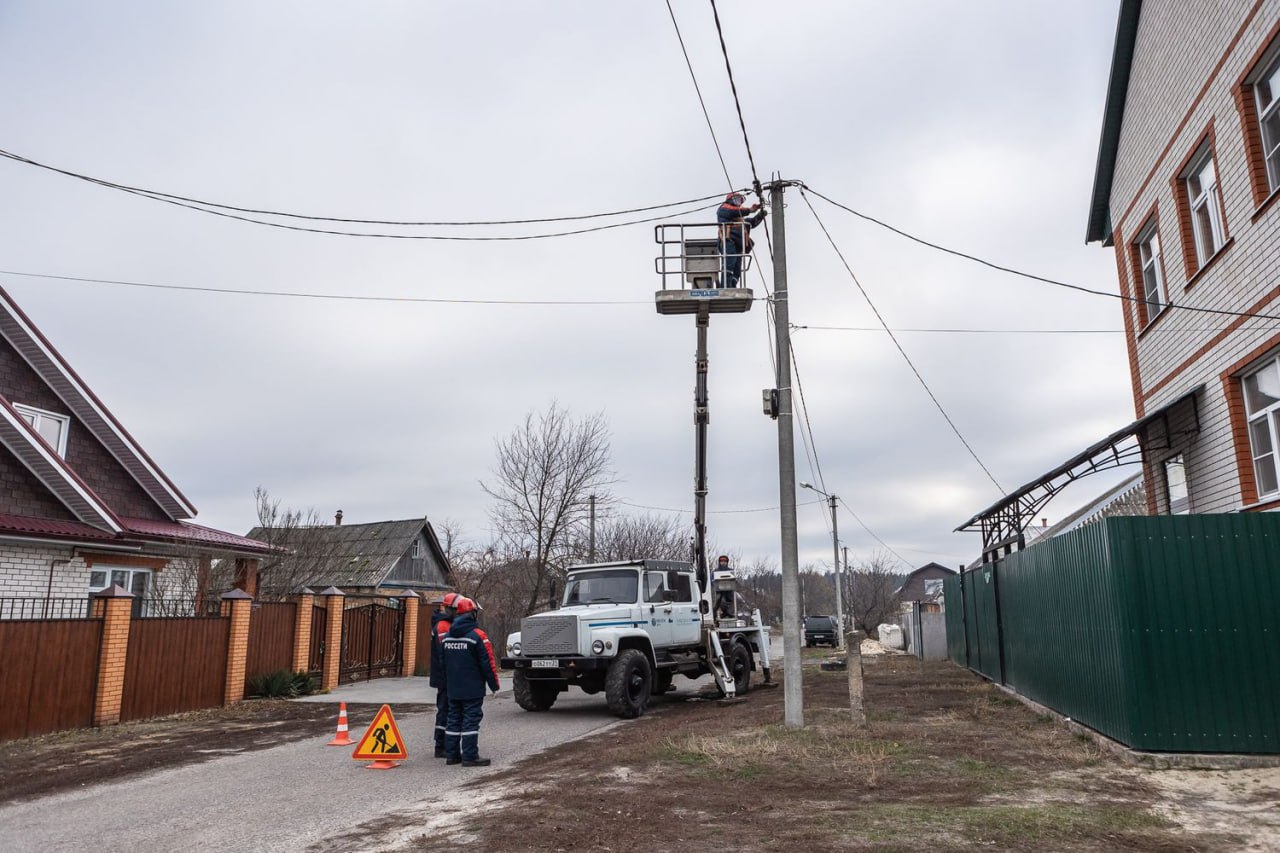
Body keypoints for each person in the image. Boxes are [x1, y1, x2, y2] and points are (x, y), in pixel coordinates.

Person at [441, 596, 500, 767]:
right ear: (472, 614)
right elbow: (488, 663)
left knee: (453, 719)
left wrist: (446, 683)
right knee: (470, 720)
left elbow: (442, 664)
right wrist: (494, 685)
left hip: (453, 687)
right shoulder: (478, 636)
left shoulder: (447, 637)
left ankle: (452, 755)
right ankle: (470, 756)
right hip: (472, 688)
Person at [429, 592, 460, 758]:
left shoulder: (446, 624)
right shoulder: (442, 626)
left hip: (447, 675)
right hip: (444, 676)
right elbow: (446, 651)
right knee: (445, 710)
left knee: (447, 709)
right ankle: (440, 745)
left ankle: (444, 744)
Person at [716, 192, 765, 288]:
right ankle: (726, 287)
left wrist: (760, 216)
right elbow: (732, 211)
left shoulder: (739, 218)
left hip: (739, 244)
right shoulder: (723, 208)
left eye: (740, 200)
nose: (738, 202)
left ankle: (732, 286)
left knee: (737, 269)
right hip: (728, 240)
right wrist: (750, 210)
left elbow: (750, 223)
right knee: (729, 263)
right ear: (730, 200)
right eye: (736, 199)